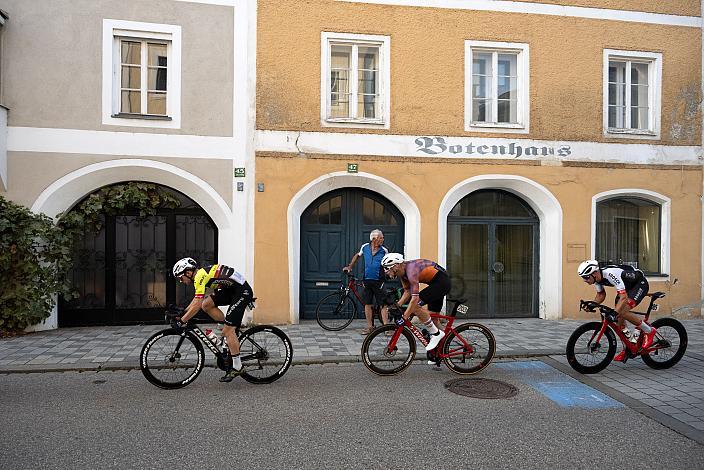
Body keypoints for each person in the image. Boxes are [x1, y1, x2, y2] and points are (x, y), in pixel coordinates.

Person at [172, 257, 254, 382]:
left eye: (180, 277)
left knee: (228, 331)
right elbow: (197, 301)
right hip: (231, 290)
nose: (181, 281)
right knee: (207, 305)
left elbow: (196, 305)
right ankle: (228, 329)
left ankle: (238, 367)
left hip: (241, 292)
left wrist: (182, 321)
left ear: (188, 272)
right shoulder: (200, 275)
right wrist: (183, 312)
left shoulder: (200, 276)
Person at [577, 259, 657, 362]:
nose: (585, 280)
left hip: (639, 284)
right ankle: (629, 347)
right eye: (583, 278)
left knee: (621, 312)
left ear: (595, 273)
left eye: (586, 277)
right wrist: (592, 304)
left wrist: (615, 313)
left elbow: (623, 297)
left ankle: (649, 331)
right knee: (619, 320)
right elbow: (601, 295)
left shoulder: (610, 274)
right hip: (627, 287)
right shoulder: (597, 279)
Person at [381, 253, 450, 353]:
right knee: (434, 319)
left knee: (415, 307)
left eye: (387, 268)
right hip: (436, 283)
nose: (386, 272)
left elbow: (414, 299)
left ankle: (436, 334)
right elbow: (407, 291)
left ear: (396, 266)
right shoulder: (402, 273)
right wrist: (397, 305)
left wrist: (404, 317)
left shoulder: (411, 271)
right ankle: (442, 347)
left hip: (442, 283)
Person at [343, 229, 390, 335]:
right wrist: (350, 266)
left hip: (379, 280)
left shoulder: (384, 250)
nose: (383, 239)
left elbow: (388, 261)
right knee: (367, 304)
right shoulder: (364, 247)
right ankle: (370, 327)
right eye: (381, 237)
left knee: (383, 304)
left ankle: (386, 328)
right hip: (367, 280)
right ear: (374, 239)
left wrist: (389, 272)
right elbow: (357, 256)